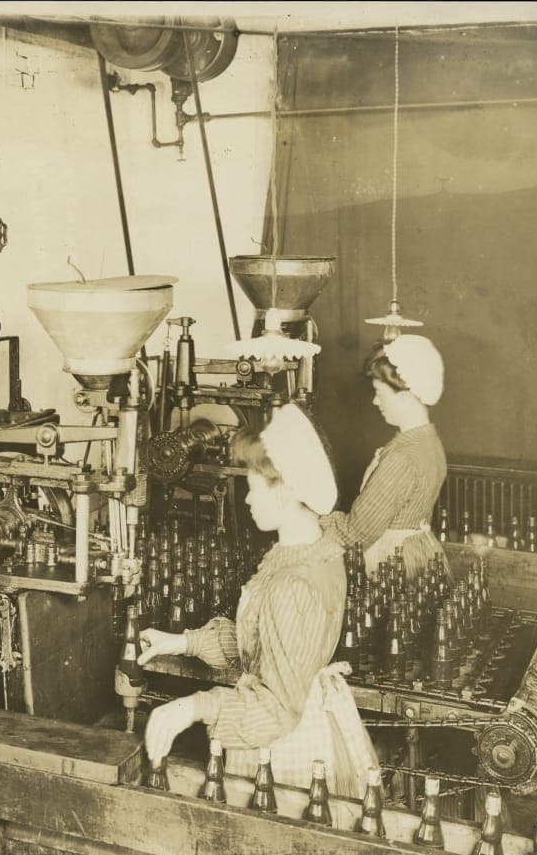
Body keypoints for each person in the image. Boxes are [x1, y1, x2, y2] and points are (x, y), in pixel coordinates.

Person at [138, 404, 377, 799]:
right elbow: (266, 645)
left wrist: (192, 708)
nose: (246, 500)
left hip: (283, 745)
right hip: (309, 717)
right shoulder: (312, 550)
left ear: (284, 489)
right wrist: (183, 643)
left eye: (252, 487)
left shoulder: (293, 583)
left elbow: (274, 711)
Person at [324, 335, 449, 580]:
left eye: (380, 392)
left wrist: (314, 521)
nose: (375, 401)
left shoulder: (403, 456)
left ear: (404, 397)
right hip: (418, 553)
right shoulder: (429, 442)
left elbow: (355, 534)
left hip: (391, 565)